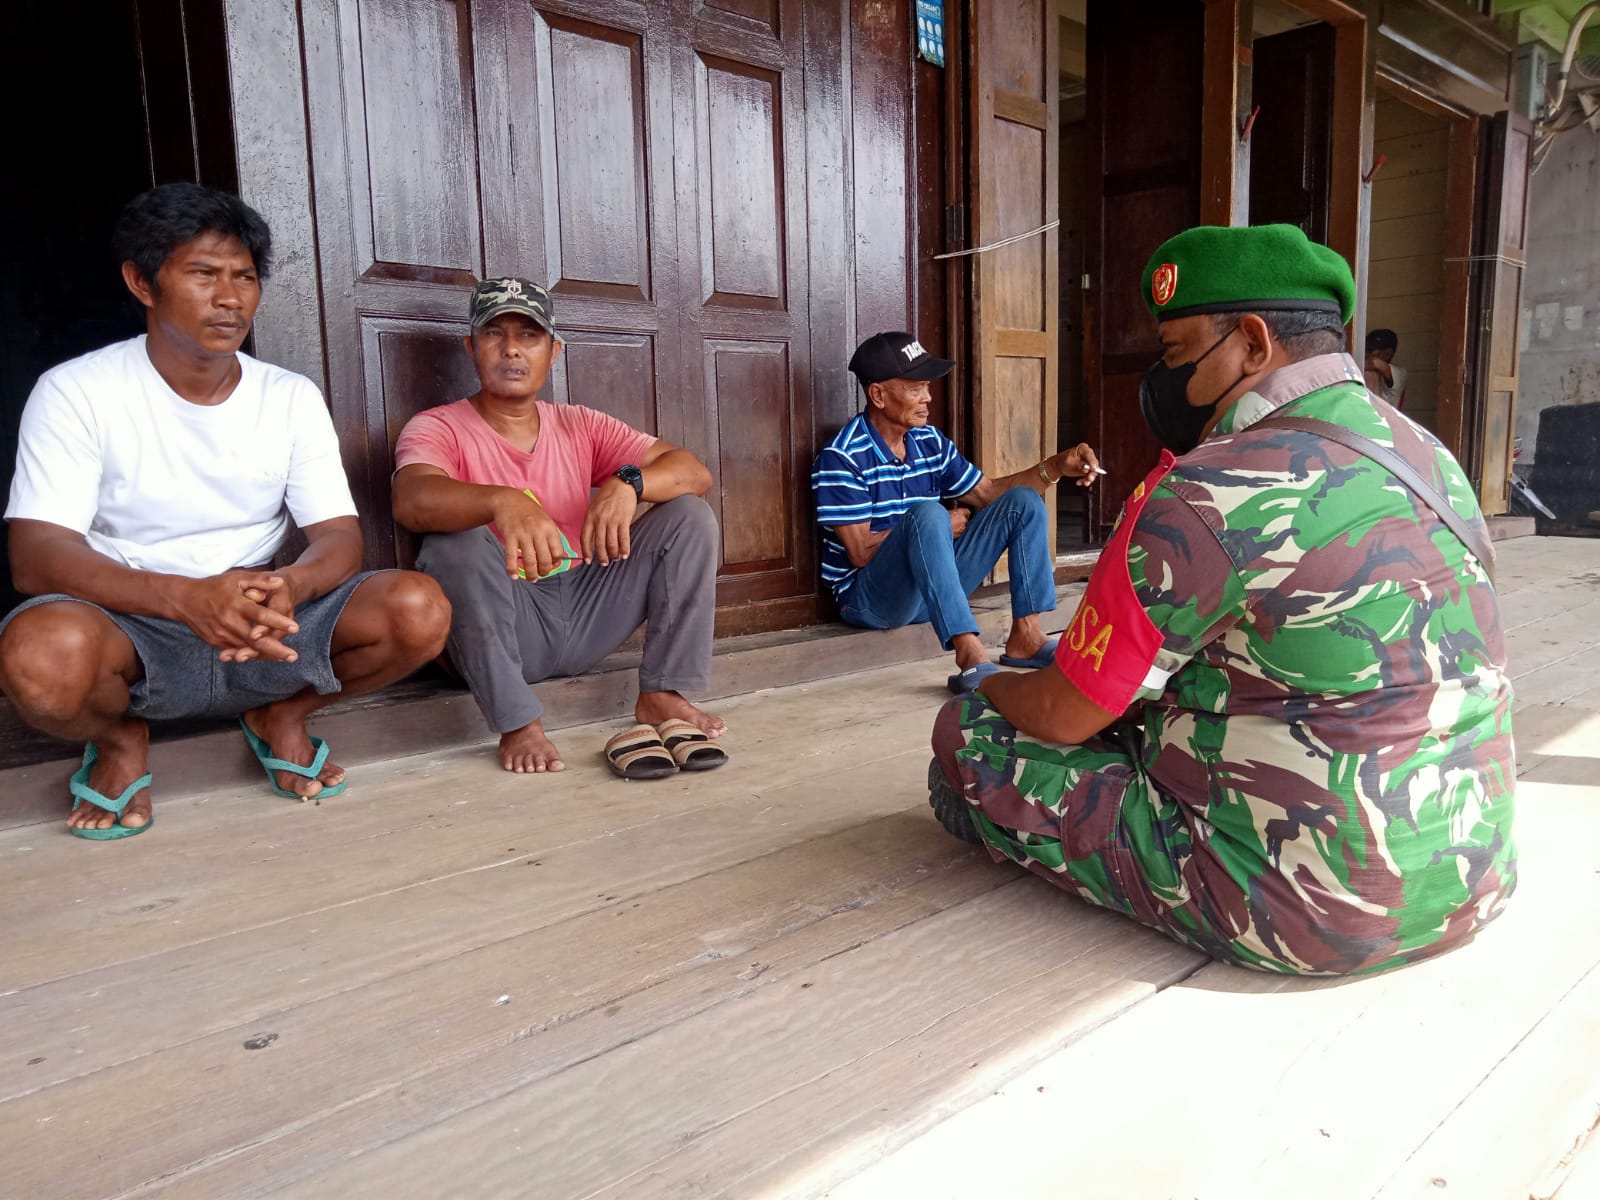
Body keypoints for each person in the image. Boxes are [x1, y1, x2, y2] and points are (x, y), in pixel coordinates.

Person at [927, 224, 1515, 976]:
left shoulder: (1209, 489)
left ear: (1253, 343)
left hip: (1308, 912)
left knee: (967, 733)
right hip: (1471, 872)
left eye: (1176, 353)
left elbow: (1064, 712)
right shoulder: (1429, 455)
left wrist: (992, 686)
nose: (1165, 379)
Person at [0, 183, 451, 840]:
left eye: (244, 277)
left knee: (419, 610)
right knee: (40, 659)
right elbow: (36, 557)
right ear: (142, 282)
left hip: (264, 615)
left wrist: (291, 585)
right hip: (133, 623)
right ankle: (120, 737)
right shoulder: (76, 392)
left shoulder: (288, 397)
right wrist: (184, 598)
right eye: (204, 274)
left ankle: (282, 714)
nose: (231, 297)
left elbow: (338, 536)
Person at [392, 278, 727, 780]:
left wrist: (629, 483)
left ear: (553, 351)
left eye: (528, 335)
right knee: (453, 540)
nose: (511, 350)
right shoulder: (438, 426)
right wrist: (501, 501)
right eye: (494, 334)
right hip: (510, 620)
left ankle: (661, 692)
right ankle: (517, 721)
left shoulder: (579, 424)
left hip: (589, 607)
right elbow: (412, 499)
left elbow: (693, 473)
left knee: (689, 516)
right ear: (471, 347)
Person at [812, 332, 1101, 695]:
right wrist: (932, 527)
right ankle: (969, 653)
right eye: (915, 388)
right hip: (873, 601)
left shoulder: (929, 441)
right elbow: (859, 553)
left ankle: (1026, 637)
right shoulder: (842, 457)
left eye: (927, 387)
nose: (928, 398)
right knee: (930, 515)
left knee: (1024, 502)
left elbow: (989, 493)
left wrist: (1055, 467)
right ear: (878, 395)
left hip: (931, 590)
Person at [1364, 327, 1407, 409]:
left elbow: (1375, 363)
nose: (1366, 353)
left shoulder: (1399, 373)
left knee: (1370, 374)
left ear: (1387, 354)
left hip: (1383, 415)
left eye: (1370, 350)